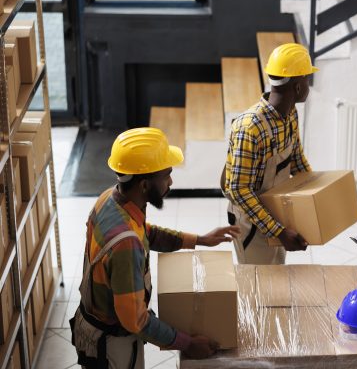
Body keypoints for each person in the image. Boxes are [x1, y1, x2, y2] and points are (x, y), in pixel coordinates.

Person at [70, 127, 241, 368]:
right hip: (112, 348)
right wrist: (188, 343)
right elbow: (136, 322)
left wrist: (200, 240)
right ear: (144, 185)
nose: (171, 182)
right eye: (166, 175)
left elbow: (146, 233)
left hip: (101, 325)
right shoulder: (126, 245)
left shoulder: (110, 199)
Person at [221, 43, 317, 264]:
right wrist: (279, 232)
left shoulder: (290, 114)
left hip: (276, 215)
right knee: (257, 289)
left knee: (276, 282)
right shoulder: (250, 127)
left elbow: (297, 162)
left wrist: (316, 202)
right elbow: (238, 190)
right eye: (307, 79)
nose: (308, 85)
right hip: (251, 225)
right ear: (297, 87)